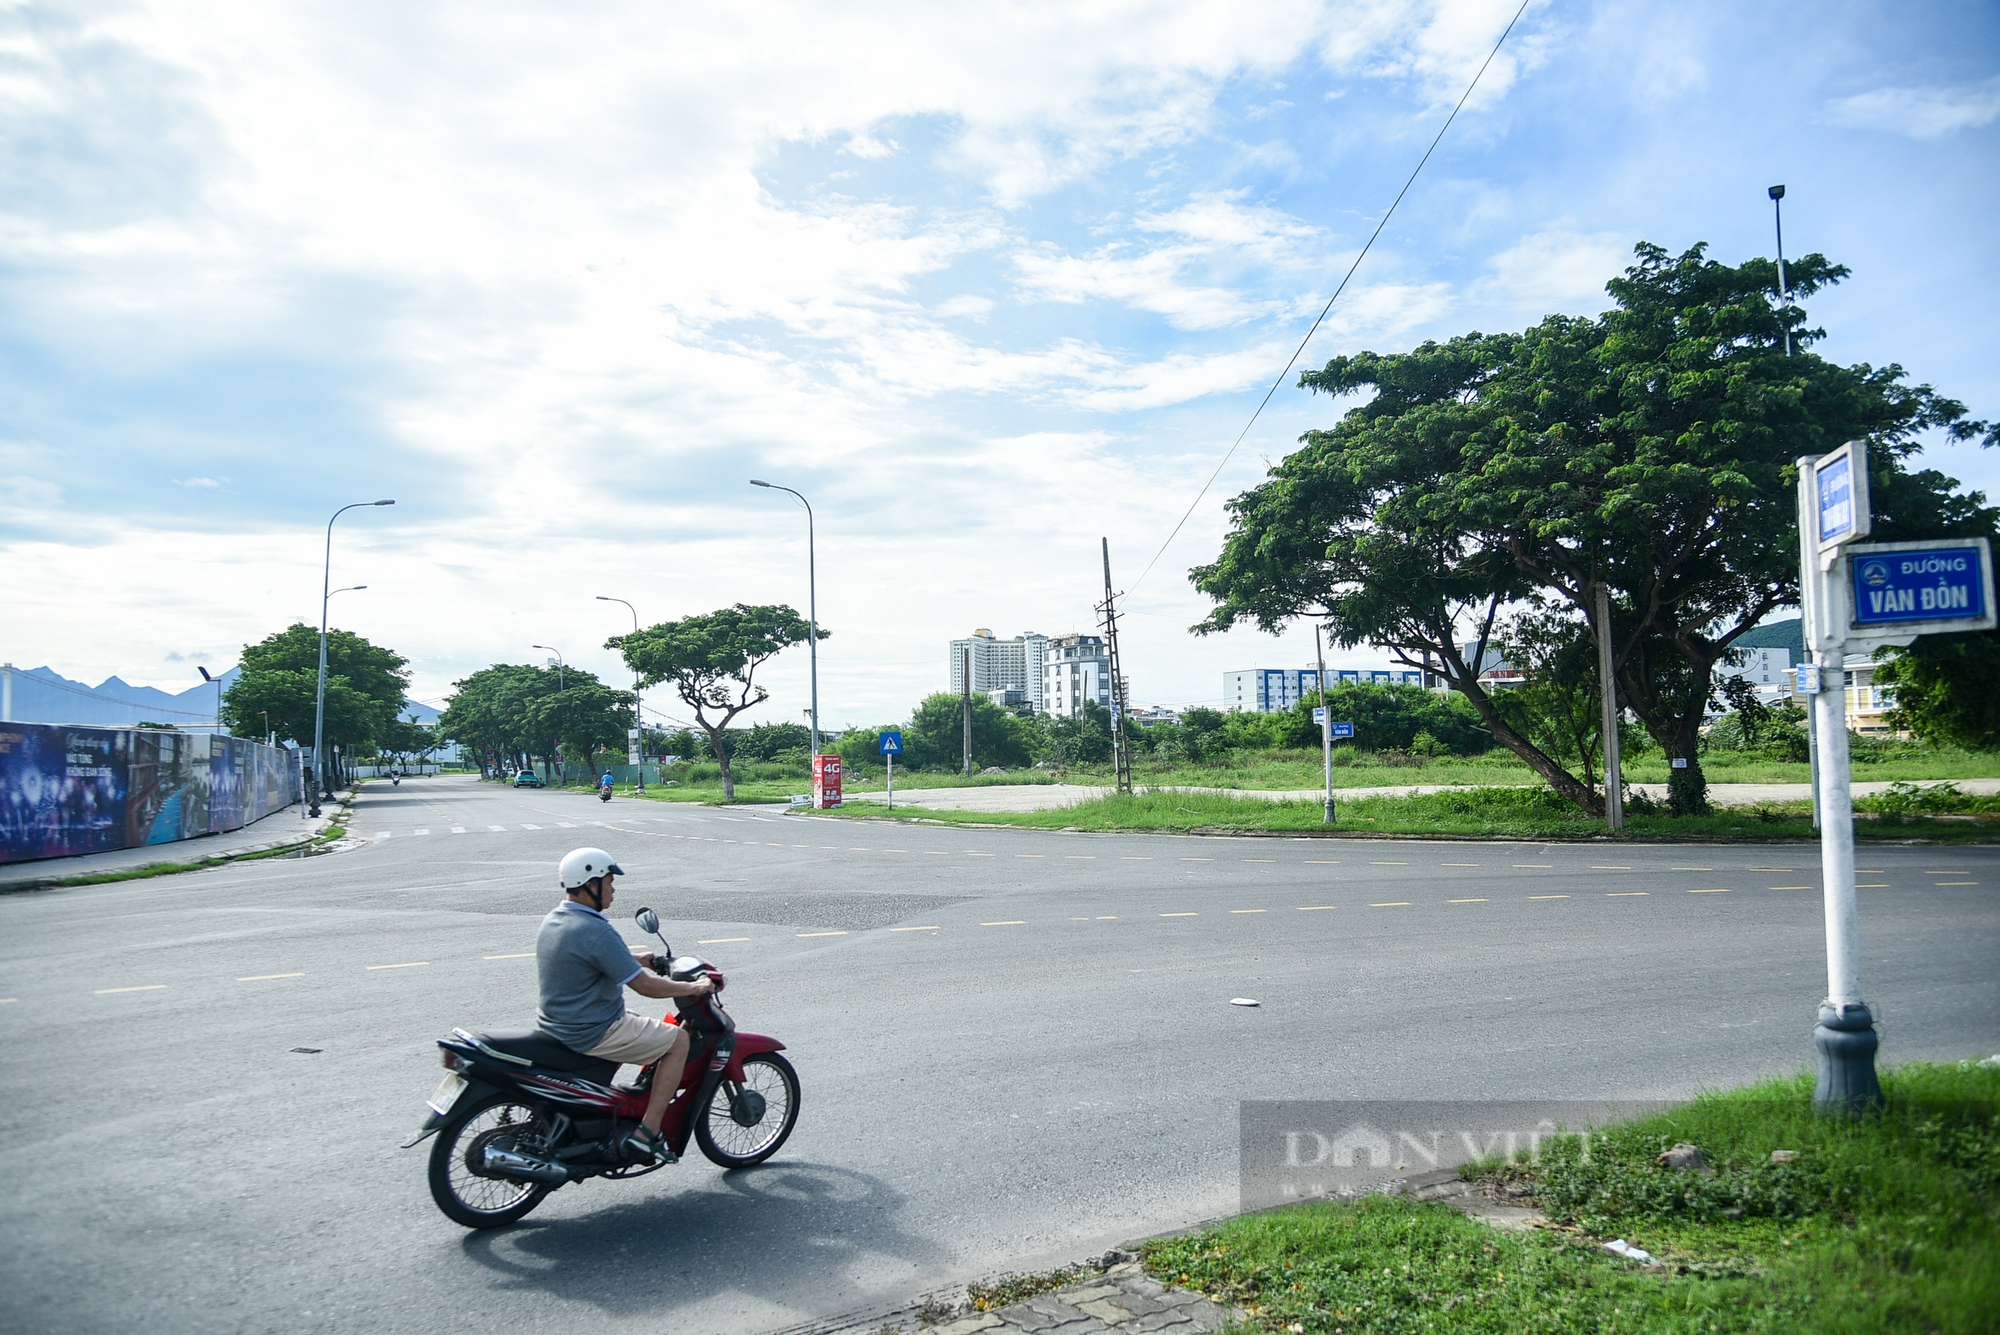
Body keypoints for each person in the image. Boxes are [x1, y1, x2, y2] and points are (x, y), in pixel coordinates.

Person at [538, 847, 713, 1163]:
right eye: (608, 881)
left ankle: (626, 1102)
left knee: (636, 1019)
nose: (613, 888)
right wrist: (694, 986)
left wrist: (636, 959)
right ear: (590, 884)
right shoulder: (595, 929)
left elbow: (589, 957)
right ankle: (648, 1133)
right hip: (591, 1029)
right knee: (678, 1040)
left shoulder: (558, 919)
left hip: (559, 1023)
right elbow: (644, 986)